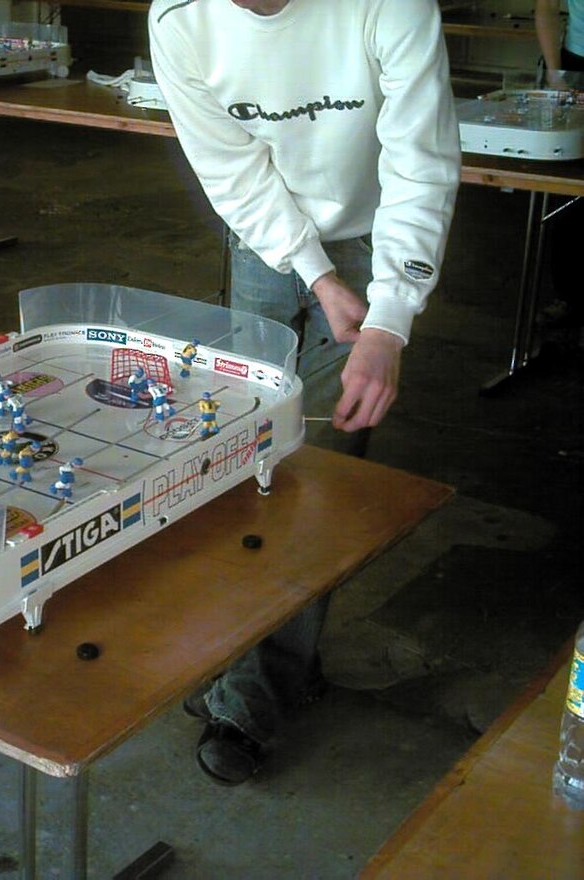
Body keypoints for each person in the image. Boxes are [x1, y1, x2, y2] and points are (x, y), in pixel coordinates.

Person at [149, 0, 460, 785]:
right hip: (262, 233)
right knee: (247, 455)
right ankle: (263, 660)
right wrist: (312, 272)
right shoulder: (182, 19)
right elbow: (232, 169)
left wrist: (388, 318)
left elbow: (420, 160)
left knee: (317, 473)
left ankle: (254, 693)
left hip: (373, 232)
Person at [535, 0, 583, 337]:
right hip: (578, 68)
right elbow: (547, 8)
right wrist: (555, 73)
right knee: (569, 188)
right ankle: (570, 296)